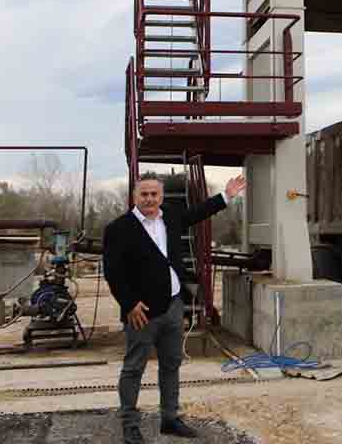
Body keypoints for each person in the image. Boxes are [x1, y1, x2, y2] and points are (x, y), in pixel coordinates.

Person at [103, 172, 246, 442]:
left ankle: (170, 418)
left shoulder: (169, 216)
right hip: (141, 312)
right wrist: (129, 303)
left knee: (171, 364)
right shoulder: (119, 229)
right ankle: (130, 425)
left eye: (154, 194)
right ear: (134, 196)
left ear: (161, 196)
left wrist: (226, 196)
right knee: (134, 368)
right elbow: (113, 272)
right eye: (144, 194)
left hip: (173, 305)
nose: (149, 199)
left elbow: (197, 213)